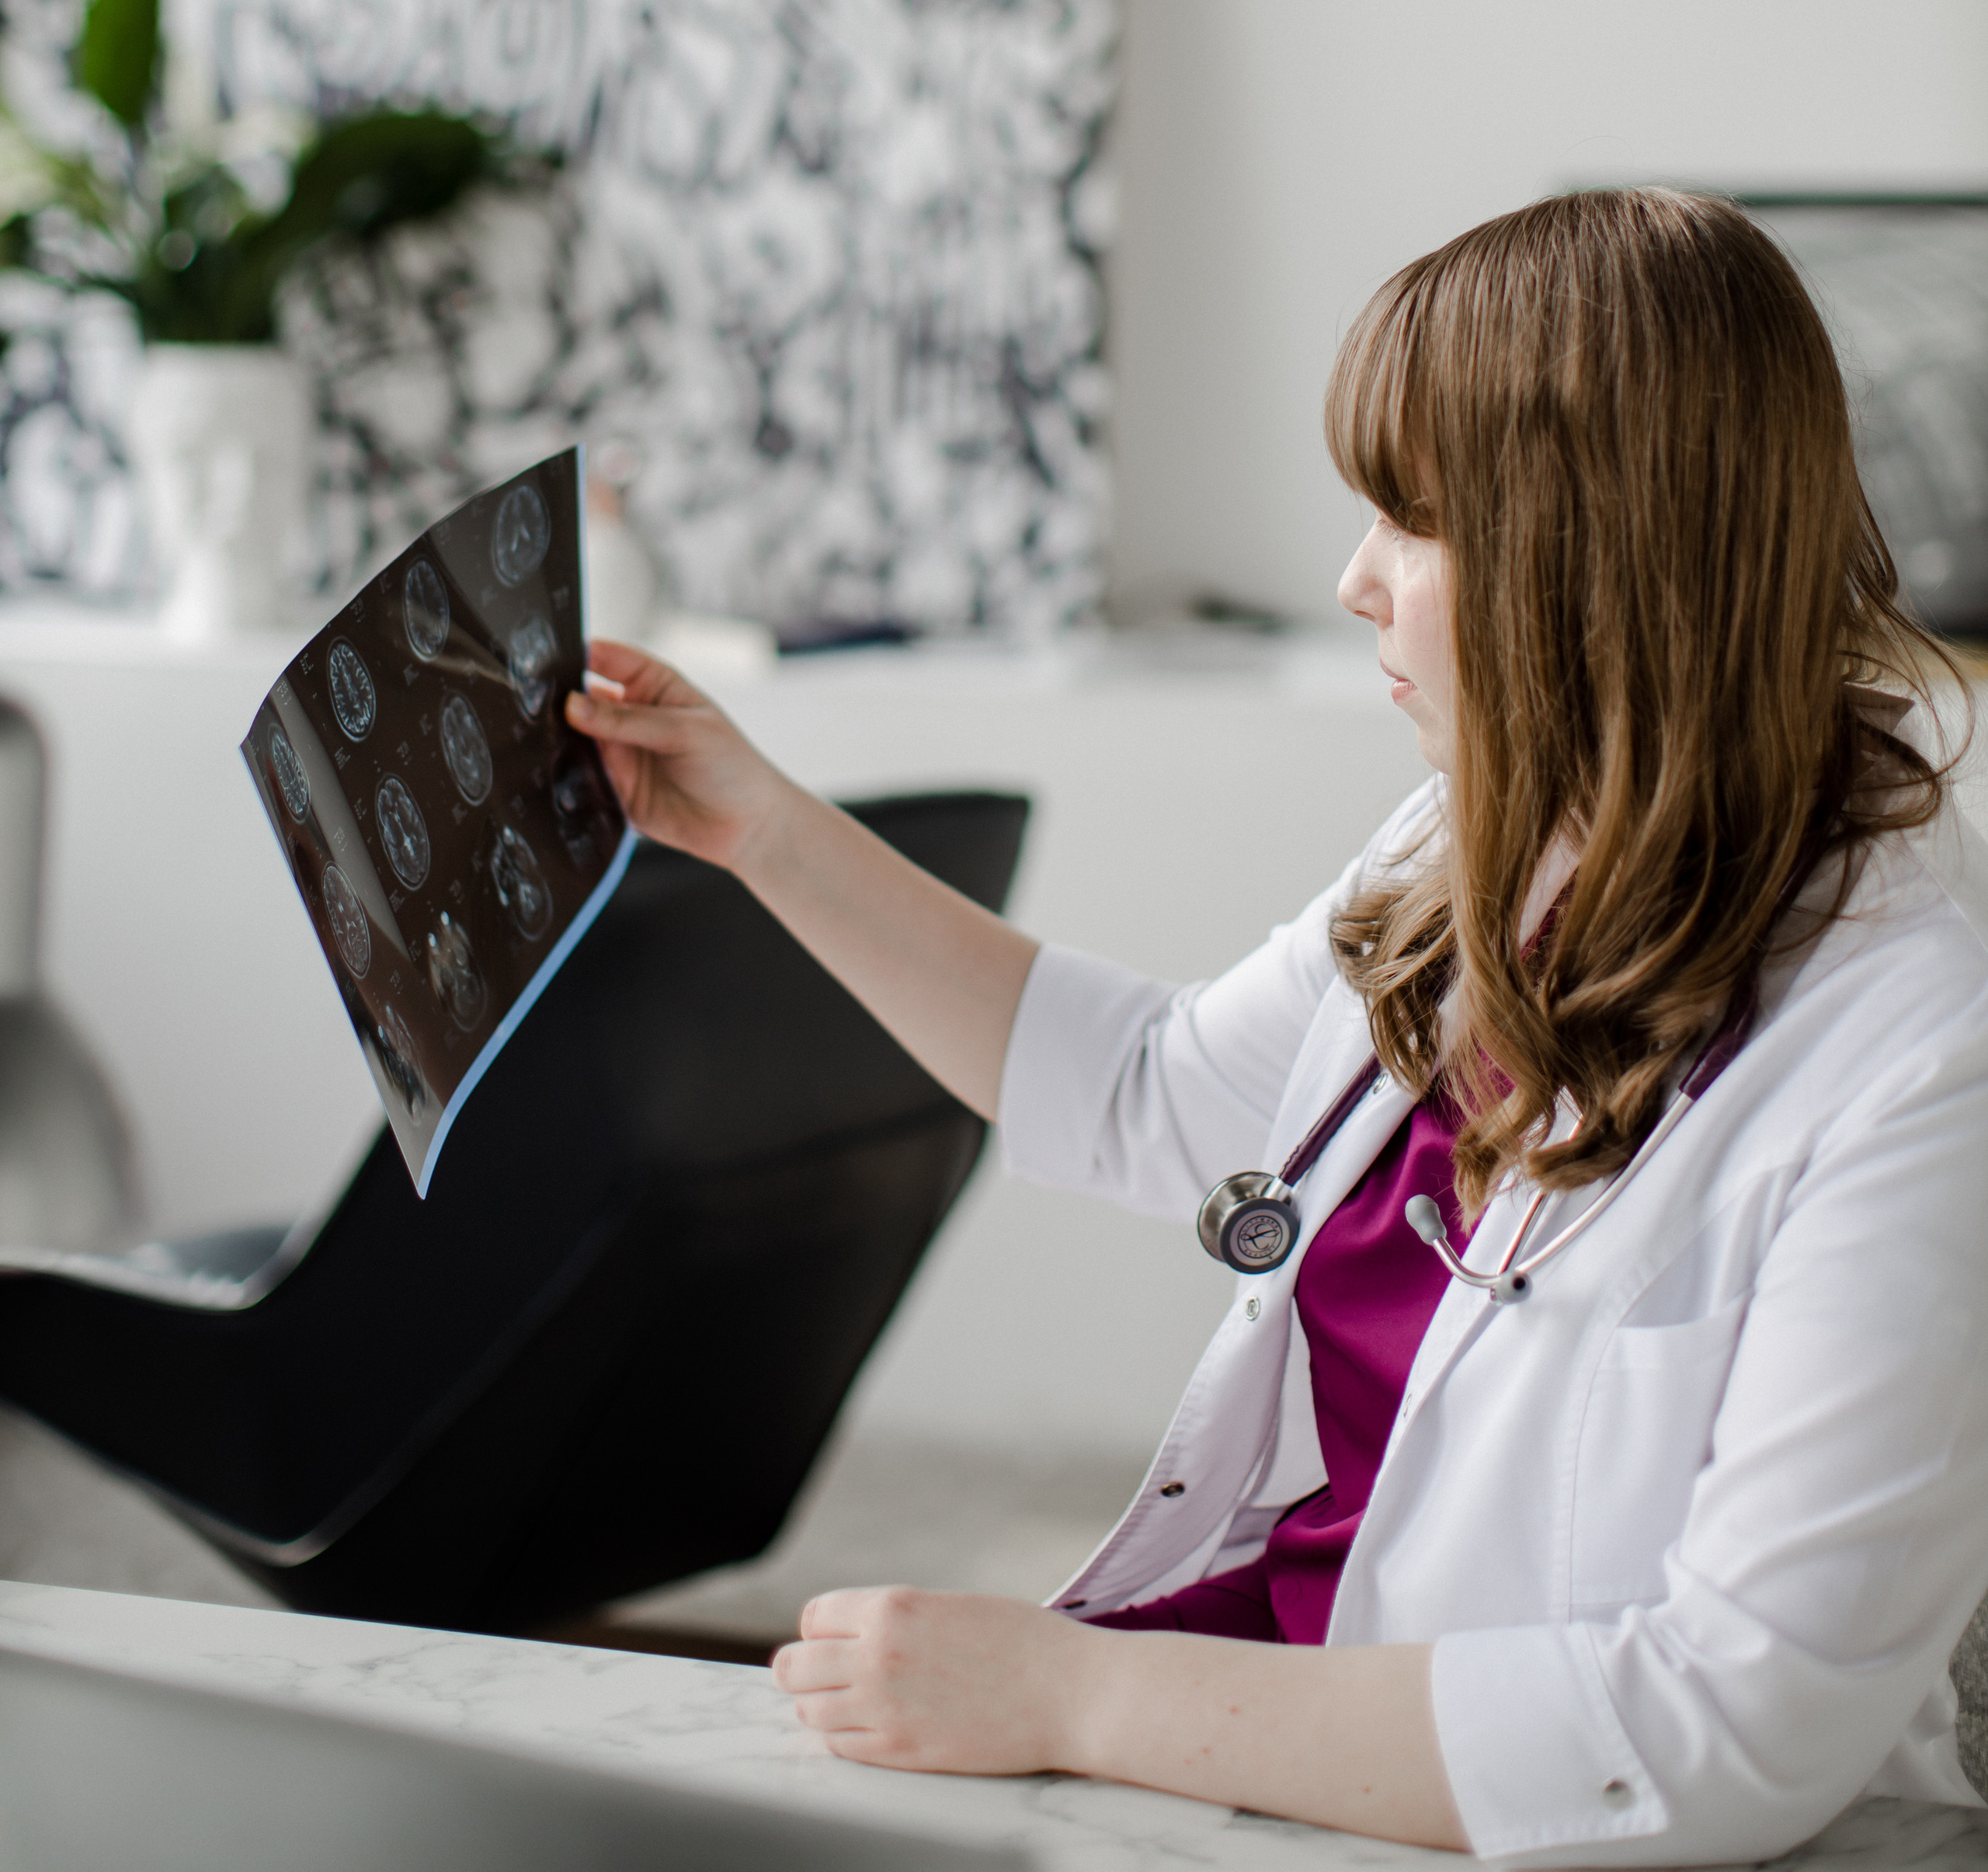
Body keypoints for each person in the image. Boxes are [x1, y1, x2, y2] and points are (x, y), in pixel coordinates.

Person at [565, 190, 1988, 1863]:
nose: (1350, 582)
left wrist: (1068, 1697)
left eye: (1411, 521)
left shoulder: (1910, 1054)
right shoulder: (1480, 843)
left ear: (1596, 557)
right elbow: (1146, 1092)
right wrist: (755, 822)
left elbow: (1720, 1730)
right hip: (1297, 1721)